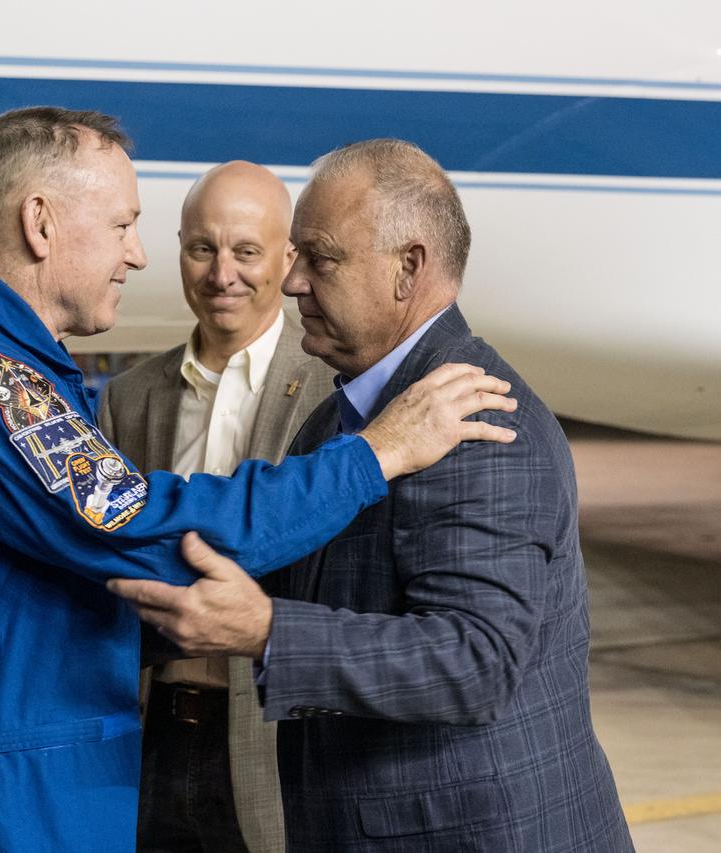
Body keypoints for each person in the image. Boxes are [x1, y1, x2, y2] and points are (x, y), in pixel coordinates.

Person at [0, 110, 517, 851]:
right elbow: (152, 530)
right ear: (40, 224)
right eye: (121, 225)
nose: (138, 255)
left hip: (33, 781)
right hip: (8, 806)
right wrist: (374, 455)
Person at [110, 139, 634, 852]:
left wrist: (267, 631)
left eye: (320, 259)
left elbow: (473, 660)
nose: (292, 283)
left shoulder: (474, 416)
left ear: (407, 267)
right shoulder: (341, 421)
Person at [97, 161, 332, 853]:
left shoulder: (333, 392)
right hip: (151, 735)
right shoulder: (130, 397)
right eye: (202, 248)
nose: (222, 272)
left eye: (247, 251)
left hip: (274, 741)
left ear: (287, 259)